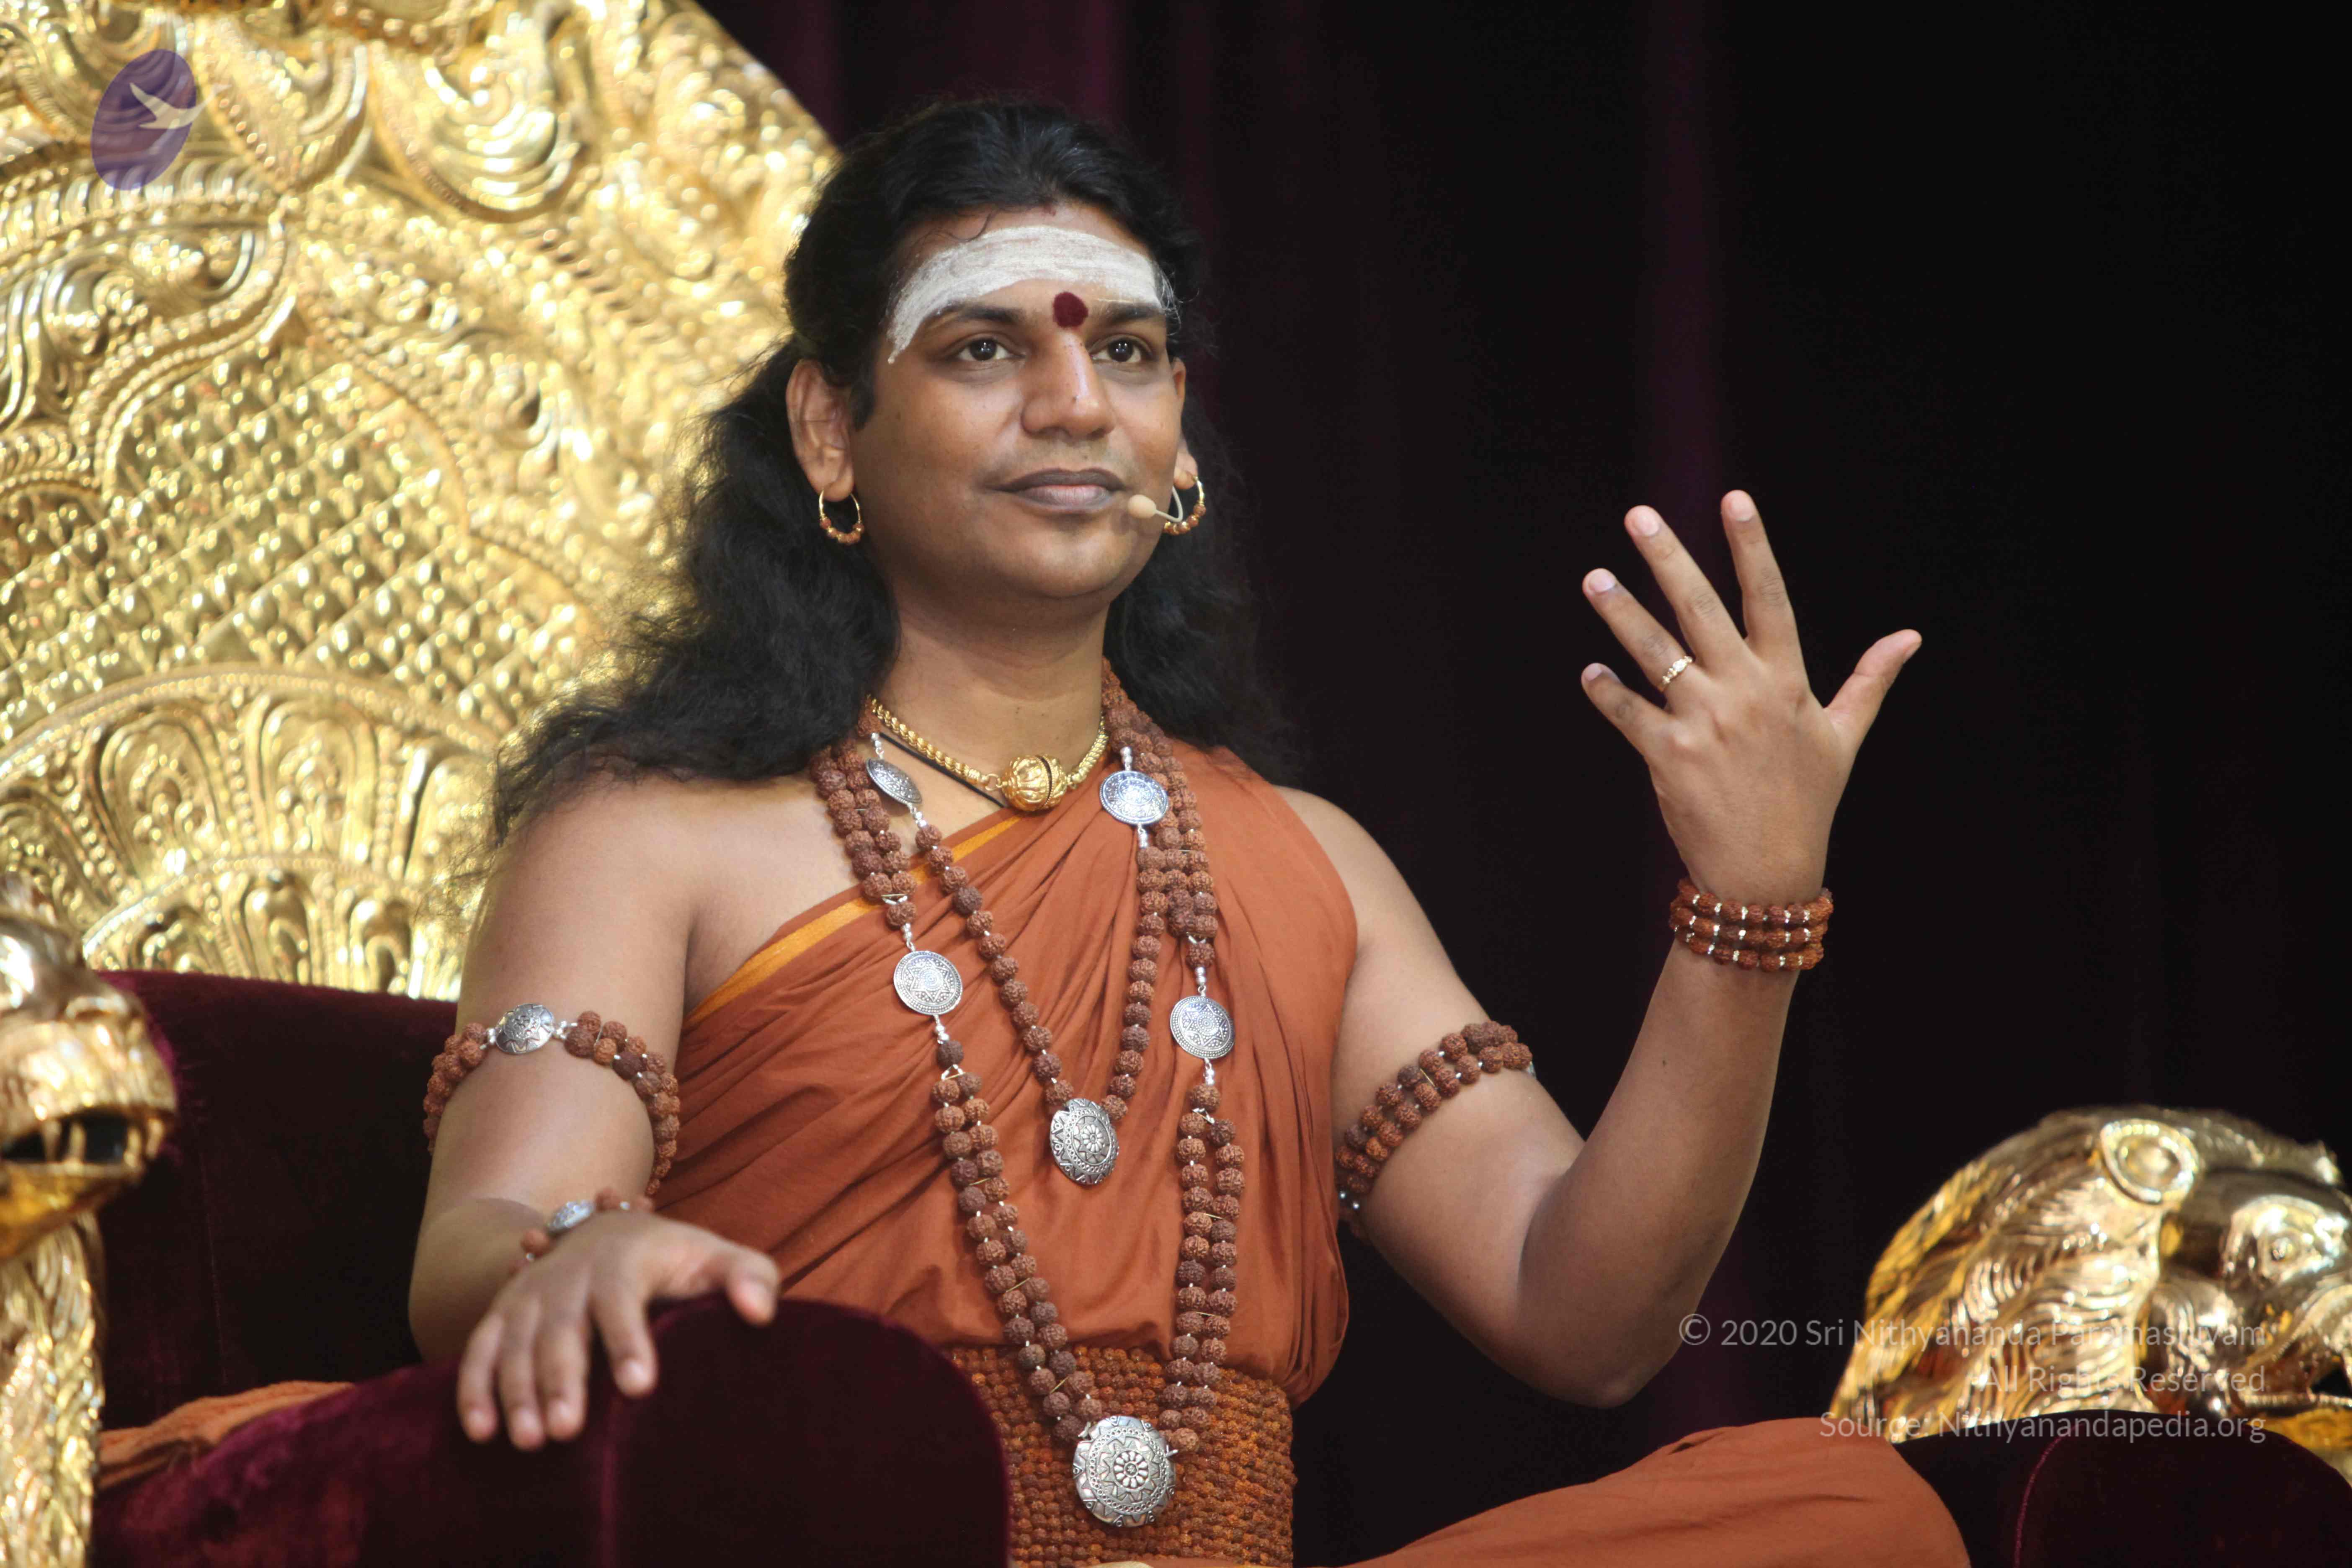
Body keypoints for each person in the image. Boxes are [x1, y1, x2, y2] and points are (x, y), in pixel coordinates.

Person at [407, 98, 1961, 1568]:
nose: (1075, 404)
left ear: (1181, 444)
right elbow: (482, 1233)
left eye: (1130, 353)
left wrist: (1750, 907)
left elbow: (1585, 1314)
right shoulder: (651, 832)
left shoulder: (1303, 862)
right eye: (982, 348)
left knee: (1849, 1510)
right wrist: (574, 1254)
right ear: (828, 428)